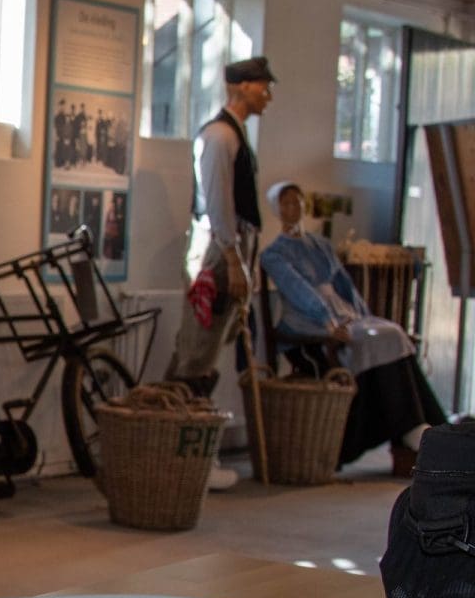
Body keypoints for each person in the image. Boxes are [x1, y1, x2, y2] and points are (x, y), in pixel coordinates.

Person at [259, 181, 445, 474]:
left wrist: (362, 315)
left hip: (343, 312)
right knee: (376, 339)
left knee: (391, 333)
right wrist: (327, 320)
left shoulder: (320, 245)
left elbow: (343, 283)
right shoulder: (274, 253)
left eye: (298, 201)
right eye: (287, 203)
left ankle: (423, 425)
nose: (294, 208)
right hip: (308, 319)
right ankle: (407, 426)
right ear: (277, 209)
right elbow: (297, 289)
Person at [165, 56, 276, 490]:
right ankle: (189, 455)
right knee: (198, 353)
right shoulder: (218, 136)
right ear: (242, 86)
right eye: (262, 86)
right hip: (214, 252)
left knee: (204, 350)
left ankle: (184, 450)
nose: (267, 95)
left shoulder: (236, 134)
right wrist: (232, 259)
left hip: (230, 247)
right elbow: (217, 203)